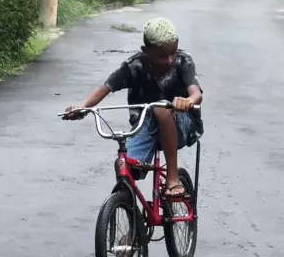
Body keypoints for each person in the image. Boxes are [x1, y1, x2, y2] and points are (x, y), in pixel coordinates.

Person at [64, 17, 203, 199]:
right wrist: (82, 107)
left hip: (182, 124)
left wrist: (188, 101)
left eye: (173, 52)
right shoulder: (135, 65)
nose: (170, 59)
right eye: (162, 56)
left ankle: (173, 178)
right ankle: (127, 205)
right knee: (124, 164)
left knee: (161, 108)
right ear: (146, 51)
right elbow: (105, 88)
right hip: (145, 127)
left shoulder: (183, 61)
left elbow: (196, 93)